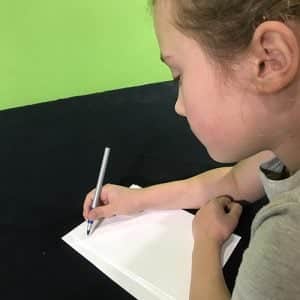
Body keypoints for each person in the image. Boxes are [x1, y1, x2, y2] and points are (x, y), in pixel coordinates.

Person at [83, 0, 300, 299]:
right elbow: (234, 181)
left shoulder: (289, 239)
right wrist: (136, 199)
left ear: (269, 60)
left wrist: (206, 242)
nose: (179, 106)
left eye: (178, 75)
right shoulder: (287, 145)